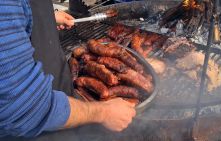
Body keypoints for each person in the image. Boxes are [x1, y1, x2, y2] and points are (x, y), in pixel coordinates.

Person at [0, 0, 136, 138]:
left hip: (59, 99)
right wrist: (102, 112)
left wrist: (45, 18)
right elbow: (23, 108)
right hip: (36, 128)